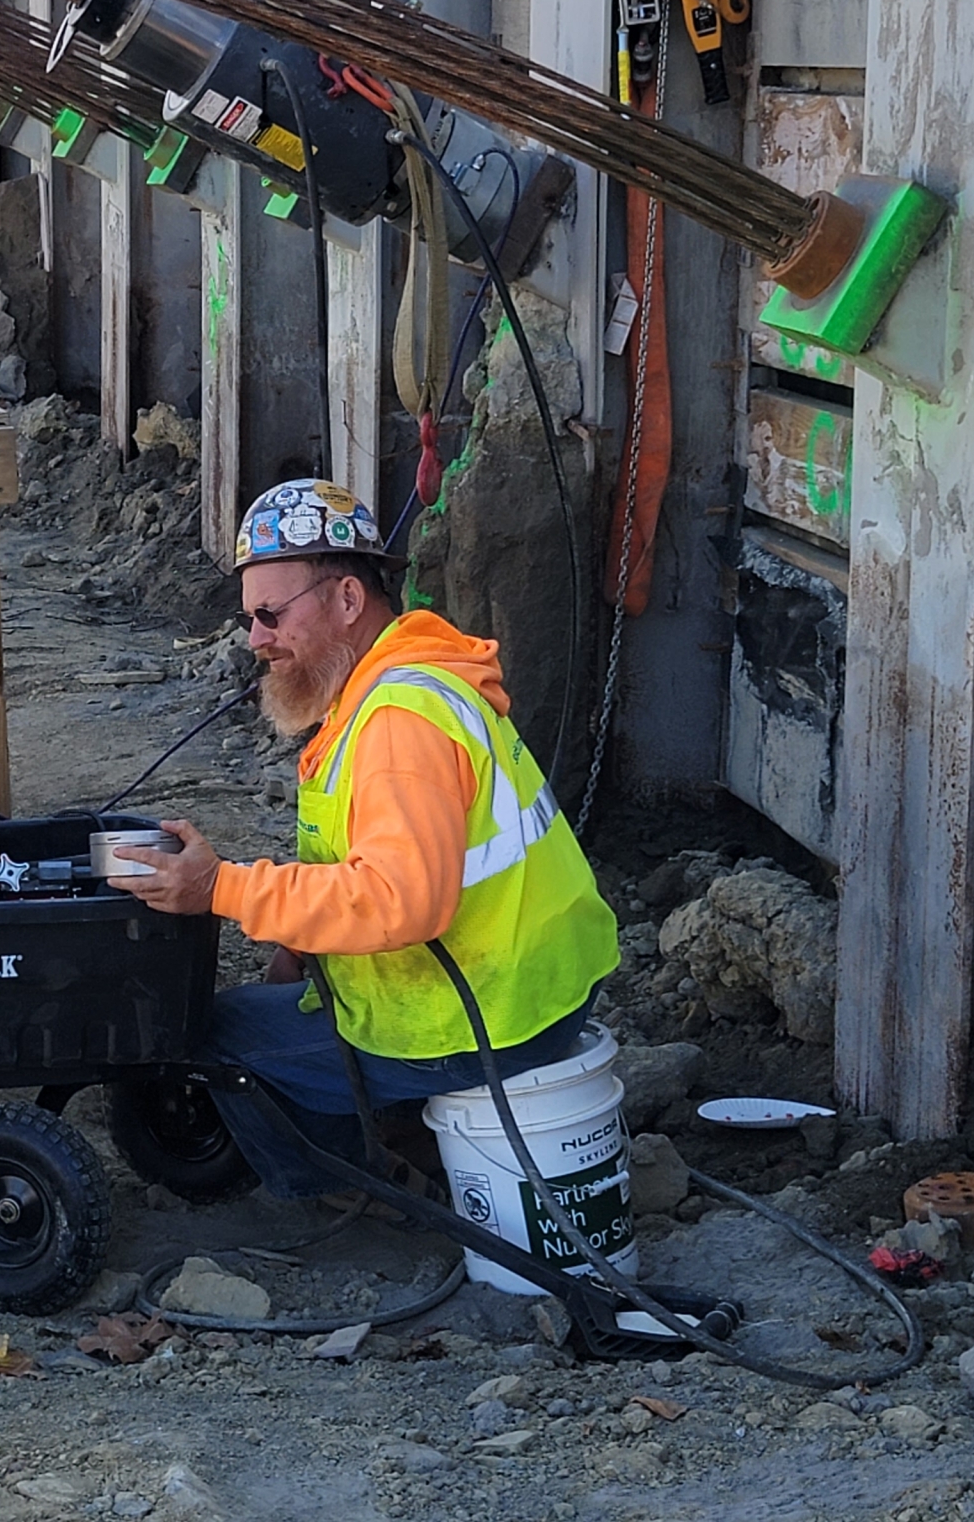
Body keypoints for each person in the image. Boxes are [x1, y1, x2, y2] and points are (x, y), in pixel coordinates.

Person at [104, 479, 618, 1196]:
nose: (255, 640)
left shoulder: (397, 723)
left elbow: (400, 901)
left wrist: (221, 888)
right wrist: (303, 942)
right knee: (278, 1006)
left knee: (210, 1034)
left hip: (484, 1021)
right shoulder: (395, 689)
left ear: (347, 600)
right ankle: (403, 1128)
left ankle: (356, 1191)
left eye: (270, 615)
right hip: (527, 990)